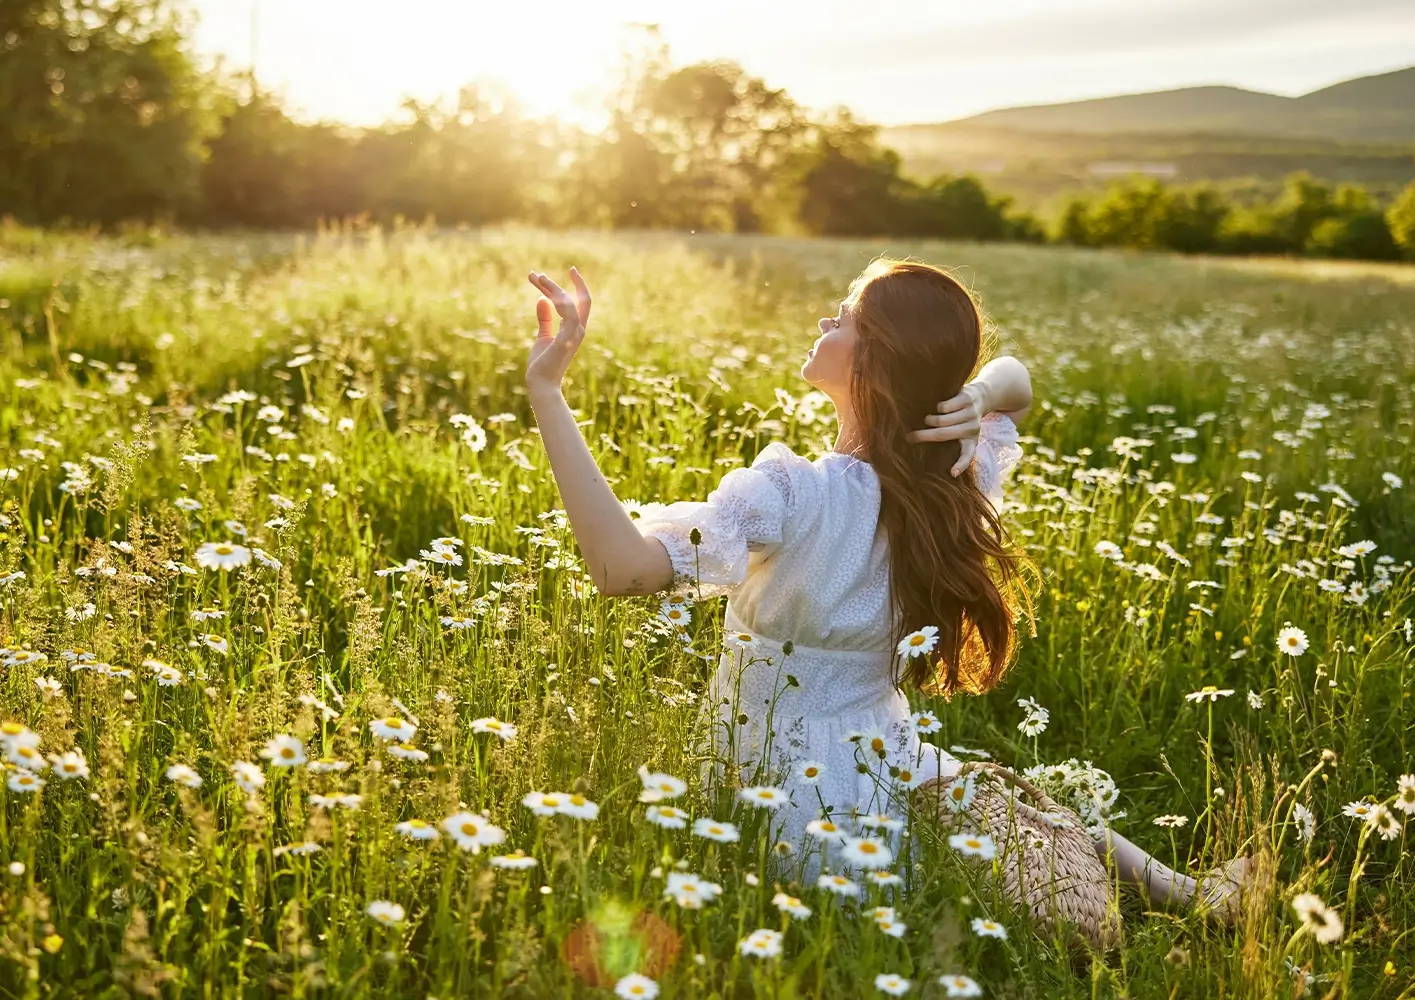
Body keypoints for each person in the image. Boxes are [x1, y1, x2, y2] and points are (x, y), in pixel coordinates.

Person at [523, 257, 1250, 919]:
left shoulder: (795, 491)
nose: (823, 322)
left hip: (777, 776)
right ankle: (1190, 898)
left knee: (993, 807)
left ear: (875, 358)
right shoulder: (952, 475)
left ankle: (1185, 897)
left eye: (843, 317)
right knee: (1007, 802)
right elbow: (1017, 385)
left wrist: (547, 391)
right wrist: (978, 392)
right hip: (877, 747)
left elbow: (622, 570)